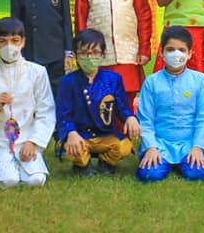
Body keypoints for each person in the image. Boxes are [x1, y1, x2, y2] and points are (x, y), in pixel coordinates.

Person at [0, 18, 56, 188]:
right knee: (9, 181)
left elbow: (46, 111)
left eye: (14, 41)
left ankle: (23, 160)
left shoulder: (37, 72)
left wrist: (34, 141)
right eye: (3, 41)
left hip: (26, 139)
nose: (9, 46)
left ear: (23, 42)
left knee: (36, 180)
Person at [75, 0, 152, 105]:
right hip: (97, 54)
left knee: (126, 100)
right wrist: (82, 53)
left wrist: (145, 49)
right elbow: (80, 21)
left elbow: (144, 16)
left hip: (129, 52)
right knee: (99, 99)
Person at [56, 29, 141, 175]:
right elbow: (63, 115)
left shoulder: (113, 79)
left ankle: (106, 163)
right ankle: (82, 165)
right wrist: (71, 132)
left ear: (103, 54)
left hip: (106, 134)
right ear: (76, 55)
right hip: (80, 134)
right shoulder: (68, 81)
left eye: (95, 53)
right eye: (83, 53)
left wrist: (130, 117)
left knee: (124, 147)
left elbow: (122, 108)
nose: (89, 58)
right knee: (71, 148)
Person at [136, 26, 204, 182]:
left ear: (190, 53)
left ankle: (187, 159)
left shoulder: (199, 80)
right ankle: (161, 159)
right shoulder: (151, 82)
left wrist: (198, 147)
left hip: (190, 143)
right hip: (160, 143)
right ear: (161, 52)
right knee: (150, 174)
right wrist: (151, 148)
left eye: (182, 50)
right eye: (170, 50)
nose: (176, 54)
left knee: (197, 173)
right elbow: (145, 119)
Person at [10, 0, 73, 97]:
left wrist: (68, 52)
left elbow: (66, 22)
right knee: (32, 94)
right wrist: (16, 51)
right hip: (30, 53)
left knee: (57, 94)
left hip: (56, 53)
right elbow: (15, 25)